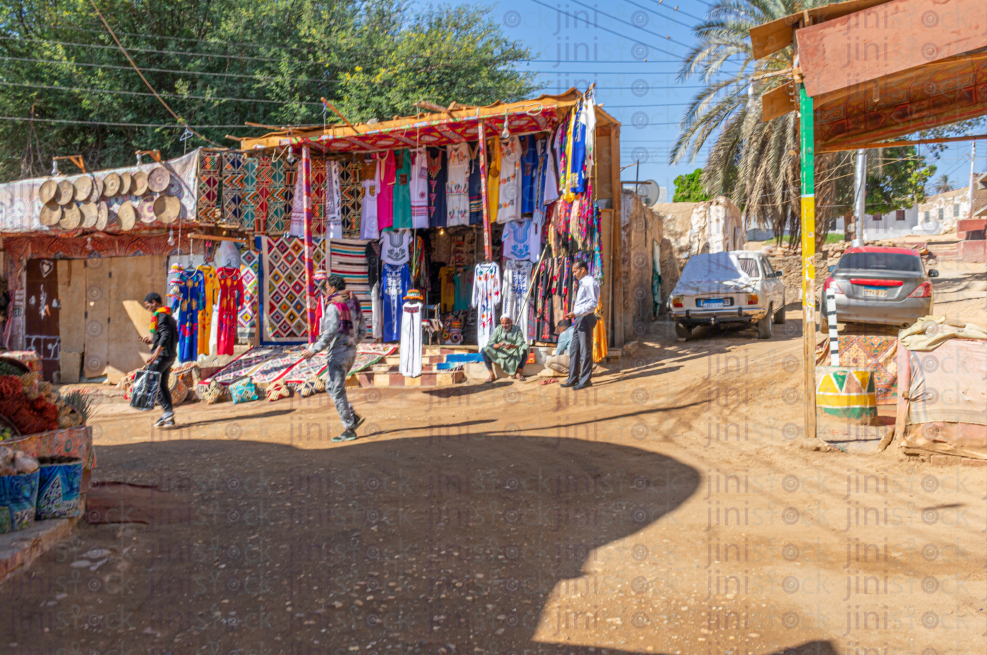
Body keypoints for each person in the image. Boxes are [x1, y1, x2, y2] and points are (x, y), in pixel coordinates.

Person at [302, 274, 366, 443]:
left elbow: (329, 332)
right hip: (351, 353)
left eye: (327, 287)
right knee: (331, 386)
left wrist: (313, 350)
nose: (326, 290)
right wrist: (351, 343)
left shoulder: (333, 306)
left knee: (337, 390)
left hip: (338, 354)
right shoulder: (354, 304)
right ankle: (352, 416)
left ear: (334, 288)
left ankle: (349, 427)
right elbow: (363, 331)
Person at [140, 292, 178, 427]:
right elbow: (171, 337)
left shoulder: (161, 316)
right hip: (170, 356)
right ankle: (169, 416)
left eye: (148, 305)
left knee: (151, 382)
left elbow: (166, 336)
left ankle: (167, 413)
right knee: (162, 385)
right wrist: (152, 340)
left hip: (161, 357)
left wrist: (155, 354)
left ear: (154, 302)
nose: (148, 308)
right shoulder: (170, 317)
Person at [561, 261, 600, 390]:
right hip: (579, 319)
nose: (574, 274)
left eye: (575, 271)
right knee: (574, 350)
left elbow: (593, 304)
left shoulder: (590, 283)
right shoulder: (583, 283)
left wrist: (576, 312)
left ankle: (585, 380)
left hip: (585, 318)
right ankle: (573, 378)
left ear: (583, 269)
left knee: (585, 350)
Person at [481, 315, 529, 382]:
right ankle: (491, 374)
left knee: (525, 348)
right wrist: (499, 345)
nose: (504, 325)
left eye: (506, 323)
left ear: (511, 322)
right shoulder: (498, 329)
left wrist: (511, 346)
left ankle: (518, 372)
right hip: (500, 351)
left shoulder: (517, 329)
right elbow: (490, 343)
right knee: (484, 350)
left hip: (514, 351)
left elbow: (520, 343)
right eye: (502, 323)